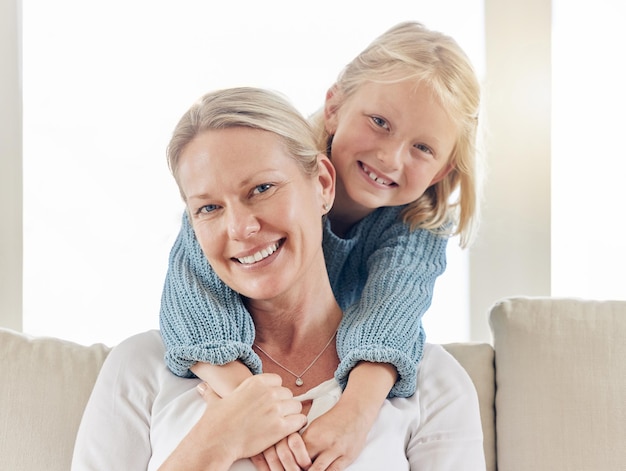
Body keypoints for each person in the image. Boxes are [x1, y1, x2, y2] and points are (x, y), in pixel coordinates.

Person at [72, 87, 485, 470]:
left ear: (322, 184)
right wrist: (210, 446)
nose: (240, 228)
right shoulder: (141, 367)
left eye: (262, 188)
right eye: (209, 208)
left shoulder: (432, 382)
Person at [159, 21, 482, 469]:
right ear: (334, 107)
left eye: (423, 148)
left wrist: (356, 411)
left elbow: (390, 315)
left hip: (325, 349)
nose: (390, 157)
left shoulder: (416, 227)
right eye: (380, 122)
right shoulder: (260, 178)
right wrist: (250, 409)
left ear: (443, 170)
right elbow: (190, 303)